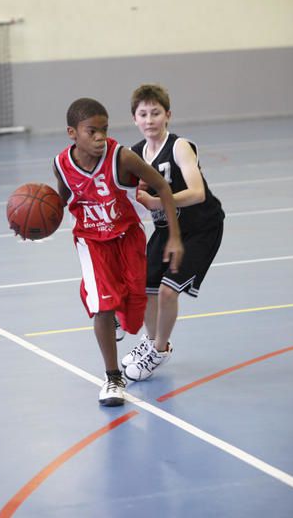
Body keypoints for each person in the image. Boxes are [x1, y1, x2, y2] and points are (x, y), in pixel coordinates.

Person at [53, 97, 183, 407]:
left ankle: (115, 317)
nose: (100, 137)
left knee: (134, 316)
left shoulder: (122, 158)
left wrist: (174, 237)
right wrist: (32, 227)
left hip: (127, 239)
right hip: (91, 241)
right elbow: (59, 202)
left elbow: (163, 188)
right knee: (103, 306)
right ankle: (113, 377)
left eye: (104, 130)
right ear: (72, 133)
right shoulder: (60, 164)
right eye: (91, 131)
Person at [122, 84, 225, 381]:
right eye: (143, 114)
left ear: (168, 115)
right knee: (145, 288)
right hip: (167, 229)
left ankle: (160, 348)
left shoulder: (179, 146)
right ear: (134, 119)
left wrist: (158, 201)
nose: (150, 119)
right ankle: (151, 343)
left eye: (156, 113)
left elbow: (197, 192)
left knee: (168, 292)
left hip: (201, 227)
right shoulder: (134, 154)